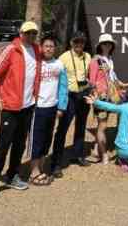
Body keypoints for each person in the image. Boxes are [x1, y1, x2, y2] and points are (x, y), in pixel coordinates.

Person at [0, 21, 43, 201]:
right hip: (10, 106)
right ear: (21, 33)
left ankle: (12, 176)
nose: (31, 36)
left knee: (19, 144)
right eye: (28, 33)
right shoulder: (11, 50)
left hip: (28, 106)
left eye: (34, 33)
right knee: (4, 144)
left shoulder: (37, 50)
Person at [27, 37, 68, 186]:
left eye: (52, 46)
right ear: (41, 48)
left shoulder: (59, 65)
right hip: (37, 108)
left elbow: (63, 87)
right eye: (46, 46)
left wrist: (61, 107)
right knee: (36, 140)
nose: (49, 49)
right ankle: (33, 173)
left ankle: (41, 169)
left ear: (55, 48)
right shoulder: (36, 64)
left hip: (52, 107)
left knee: (46, 140)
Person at [84, 86, 128, 173]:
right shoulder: (126, 108)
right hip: (125, 146)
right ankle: (124, 160)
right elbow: (112, 107)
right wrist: (96, 102)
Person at [50, 31, 91, 176]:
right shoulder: (64, 57)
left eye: (82, 42)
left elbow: (88, 75)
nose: (79, 44)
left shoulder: (88, 56)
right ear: (71, 43)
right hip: (69, 97)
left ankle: (78, 155)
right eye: (76, 41)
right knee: (62, 129)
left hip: (84, 95)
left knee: (81, 127)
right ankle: (56, 163)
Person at [87, 33, 128, 164]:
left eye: (109, 44)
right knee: (103, 125)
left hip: (110, 96)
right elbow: (92, 80)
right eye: (105, 43)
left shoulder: (109, 59)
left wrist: (122, 85)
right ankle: (104, 154)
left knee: (104, 124)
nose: (107, 45)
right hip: (101, 97)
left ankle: (96, 150)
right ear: (100, 45)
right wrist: (96, 96)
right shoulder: (96, 60)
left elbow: (112, 77)